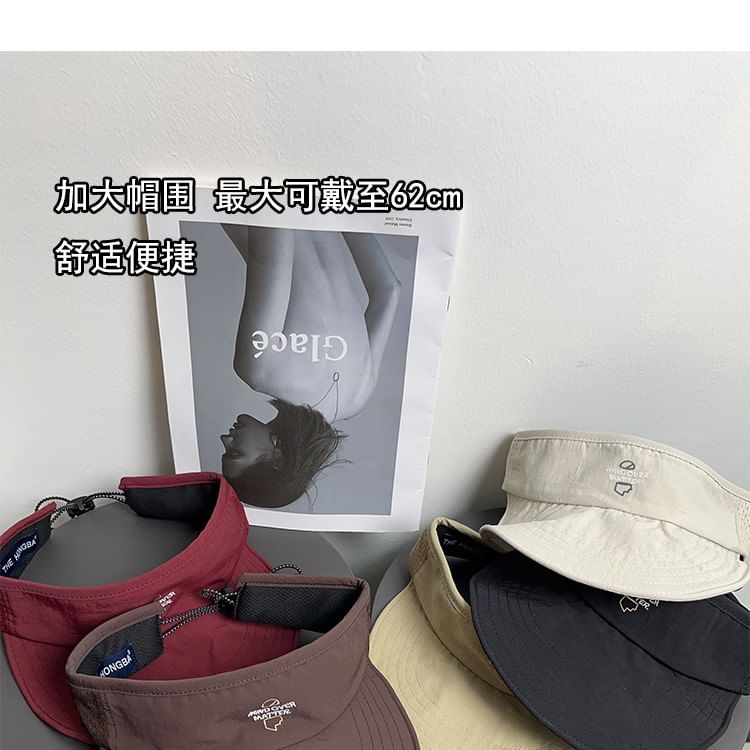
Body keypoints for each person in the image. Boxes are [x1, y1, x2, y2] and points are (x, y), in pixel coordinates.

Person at [219, 225, 402, 509]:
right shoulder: (258, 370)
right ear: (276, 459)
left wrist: (341, 213)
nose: (225, 438)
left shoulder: (358, 398)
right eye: (234, 453)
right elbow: (274, 224)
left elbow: (390, 290)